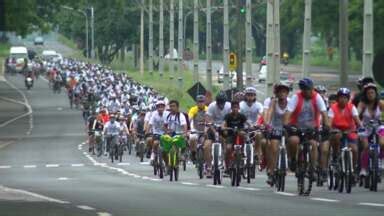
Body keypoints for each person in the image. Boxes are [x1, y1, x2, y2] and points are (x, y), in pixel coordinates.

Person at [283, 78, 330, 174]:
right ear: (302, 90)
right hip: (296, 127)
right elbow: (288, 112)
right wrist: (286, 124)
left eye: (310, 89)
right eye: (306, 90)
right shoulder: (296, 97)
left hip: (312, 127)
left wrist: (326, 126)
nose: (308, 92)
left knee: (313, 144)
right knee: (293, 141)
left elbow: (324, 113)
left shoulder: (317, 97)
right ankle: (293, 159)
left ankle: (312, 167)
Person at [328, 88, 362, 182]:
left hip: (350, 131)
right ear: (338, 98)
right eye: (341, 97)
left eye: (345, 98)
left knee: (354, 149)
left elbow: (357, 119)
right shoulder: (333, 108)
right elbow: (329, 122)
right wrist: (330, 129)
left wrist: (361, 127)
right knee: (336, 136)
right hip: (337, 130)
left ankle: (354, 169)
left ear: (348, 99)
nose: (343, 99)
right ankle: (335, 155)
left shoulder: (352, 107)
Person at [264, 83, 290, 185]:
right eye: (280, 92)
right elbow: (269, 113)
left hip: (288, 128)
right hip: (275, 128)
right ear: (277, 93)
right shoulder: (273, 102)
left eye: (284, 92)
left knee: (294, 144)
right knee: (274, 149)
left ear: (287, 93)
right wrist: (268, 125)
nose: (282, 94)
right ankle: (271, 172)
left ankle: (292, 162)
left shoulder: (291, 102)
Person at [357, 83, 384, 177]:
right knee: (365, 147)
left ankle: (381, 161)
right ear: (365, 94)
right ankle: (364, 168)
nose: (371, 95)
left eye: (372, 92)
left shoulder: (381, 103)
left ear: (376, 94)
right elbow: (356, 114)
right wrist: (358, 123)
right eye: (368, 93)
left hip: (379, 126)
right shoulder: (362, 104)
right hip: (365, 127)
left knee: (382, 143)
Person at [205, 91, 231, 174]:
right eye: (219, 102)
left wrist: (224, 128)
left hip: (224, 127)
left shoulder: (228, 106)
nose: (221, 104)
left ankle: (226, 165)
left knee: (227, 145)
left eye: (222, 102)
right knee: (207, 146)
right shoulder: (212, 106)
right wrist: (214, 131)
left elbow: (229, 118)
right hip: (213, 126)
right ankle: (209, 167)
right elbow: (208, 118)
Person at [240, 87, 265, 171]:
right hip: (244, 127)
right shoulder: (241, 105)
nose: (250, 97)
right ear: (245, 96)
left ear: (255, 96)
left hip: (254, 127)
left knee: (258, 135)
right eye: (248, 95)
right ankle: (241, 152)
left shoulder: (258, 105)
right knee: (241, 135)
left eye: (252, 95)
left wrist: (260, 124)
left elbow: (262, 114)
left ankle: (257, 153)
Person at [222, 100, 247, 172]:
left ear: (239, 108)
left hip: (239, 133)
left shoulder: (241, 116)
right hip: (231, 134)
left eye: (236, 107)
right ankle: (227, 166)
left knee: (244, 134)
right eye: (233, 107)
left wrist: (252, 126)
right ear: (231, 108)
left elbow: (247, 123)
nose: (235, 109)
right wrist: (224, 128)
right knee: (228, 148)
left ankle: (243, 151)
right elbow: (224, 123)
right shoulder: (228, 116)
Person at [188, 95, 208, 163]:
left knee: (205, 143)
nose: (201, 103)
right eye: (199, 102)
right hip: (195, 129)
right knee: (192, 139)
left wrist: (206, 129)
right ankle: (193, 153)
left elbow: (209, 120)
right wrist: (188, 127)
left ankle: (205, 157)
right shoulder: (193, 109)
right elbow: (190, 118)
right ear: (196, 103)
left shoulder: (207, 109)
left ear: (205, 102)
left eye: (202, 102)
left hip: (205, 129)